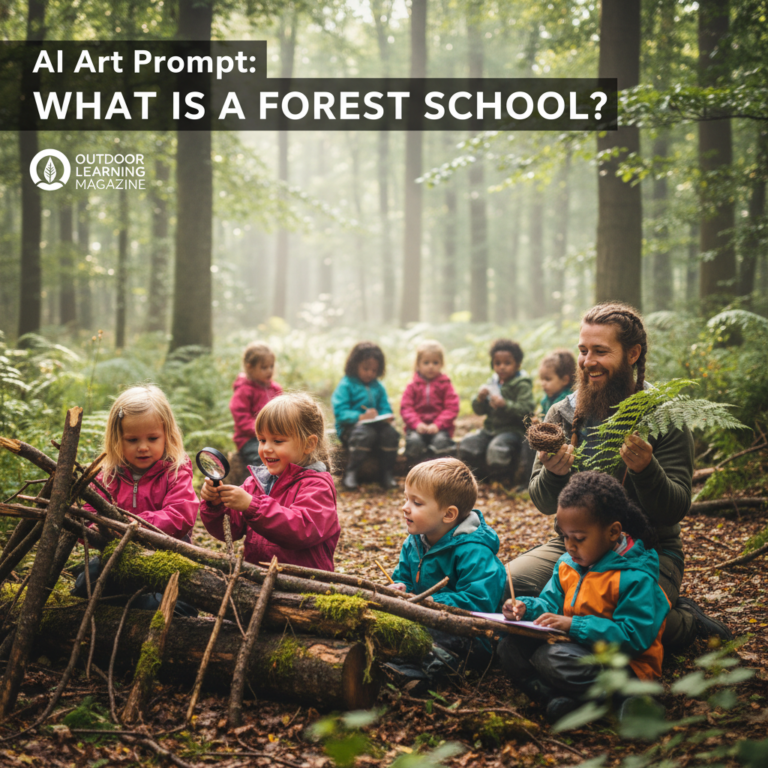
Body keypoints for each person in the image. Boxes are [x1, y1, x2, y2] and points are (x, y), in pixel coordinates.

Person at [511, 302, 731, 651]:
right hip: (574, 545)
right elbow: (540, 501)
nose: (587, 361)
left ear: (633, 353)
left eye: (600, 351)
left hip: (648, 549)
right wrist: (554, 475)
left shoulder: (662, 416)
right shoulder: (562, 413)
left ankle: (685, 623)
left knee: (626, 622)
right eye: (583, 351)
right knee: (508, 586)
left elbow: (674, 509)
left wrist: (647, 469)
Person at [497, 472, 670, 724]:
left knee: (553, 658)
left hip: (625, 666)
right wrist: (526, 608)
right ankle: (553, 699)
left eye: (578, 538)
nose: (569, 546)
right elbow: (550, 603)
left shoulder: (635, 577)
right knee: (509, 645)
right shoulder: (568, 564)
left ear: (612, 532)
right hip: (573, 647)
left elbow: (634, 637)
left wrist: (573, 625)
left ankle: (626, 699)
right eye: (564, 536)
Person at [73, 385, 199, 612]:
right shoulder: (108, 474)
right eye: (132, 440)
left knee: (166, 605)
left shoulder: (176, 471)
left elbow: (181, 515)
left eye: (152, 438)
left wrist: (134, 526)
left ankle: (143, 606)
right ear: (117, 438)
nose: (143, 447)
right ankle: (121, 603)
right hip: (119, 559)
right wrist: (104, 530)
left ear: (167, 435)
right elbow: (88, 517)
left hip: (166, 561)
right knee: (86, 582)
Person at [389, 458, 507, 685]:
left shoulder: (474, 551)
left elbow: (479, 601)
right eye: (406, 498)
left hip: (470, 636)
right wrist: (400, 588)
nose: (405, 507)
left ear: (449, 515)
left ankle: (417, 674)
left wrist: (432, 601)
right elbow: (404, 578)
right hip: (424, 619)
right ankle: (403, 664)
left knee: (431, 639)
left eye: (417, 502)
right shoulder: (414, 542)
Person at [200, 392, 339, 571]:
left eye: (278, 441)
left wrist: (252, 506)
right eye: (262, 440)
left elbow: (301, 530)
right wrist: (216, 505)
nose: (266, 449)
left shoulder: (317, 486)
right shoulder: (255, 483)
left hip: (305, 586)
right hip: (257, 581)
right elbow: (231, 530)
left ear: (308, 444)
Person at [458, 339, 535, 483]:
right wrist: (480, 399)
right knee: (468, 443)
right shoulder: (492, 383)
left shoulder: (522, 384)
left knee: (497, 449)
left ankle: (502, 480)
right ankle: (477, 478)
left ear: (517, 364)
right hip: (490, 430)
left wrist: (505, 405)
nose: (502, 367)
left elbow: (527, 410)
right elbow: (479, 410)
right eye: (497, 363)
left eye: (507, 363)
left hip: (512, 431)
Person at [332, 341, 400, 490]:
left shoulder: (378, 386)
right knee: (364, 433)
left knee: (391, 433)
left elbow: (385, 407)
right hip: (351, 430)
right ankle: (351, 472)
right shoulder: (346, 384)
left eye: (374, 370)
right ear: (355, 365)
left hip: (376, 428)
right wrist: (360, 417)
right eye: (366, 368)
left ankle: (386, 474)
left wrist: (386, 416)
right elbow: (340, 412)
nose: (370, 373)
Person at [400, 340, 460, 462]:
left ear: (441, 364)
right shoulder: (412, 385)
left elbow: (452, 407)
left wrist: (437, 425)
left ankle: (439, 476)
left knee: (441, 443)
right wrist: (417, 424)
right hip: (417, 428)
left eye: (435, 362)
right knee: (414, 442)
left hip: (440, 428)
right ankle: (414, 474)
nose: (431, 366)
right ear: (418, 364)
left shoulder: (445, 384)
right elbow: (406, 408)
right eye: (426, 362)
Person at [230, 342, 282, 467]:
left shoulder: (275, 388)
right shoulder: (244, 390)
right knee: (261, 458)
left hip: (274, 435)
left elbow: (284, 411)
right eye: (264, 368)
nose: (269, 370)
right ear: (250, 367)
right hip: (250, 438)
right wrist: (262, 430)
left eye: (271, 366)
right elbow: (242, 418)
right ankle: (256, 484)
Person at [538, 349, 576, 416]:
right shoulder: (546, 399)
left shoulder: (567, 401)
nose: (543, 384)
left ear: (564, 380)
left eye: (548, 379)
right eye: (542, 379)